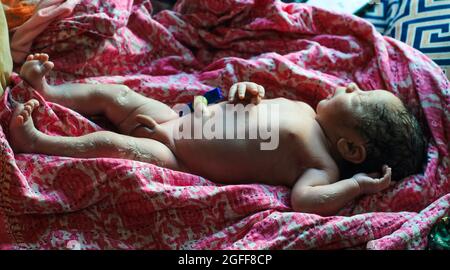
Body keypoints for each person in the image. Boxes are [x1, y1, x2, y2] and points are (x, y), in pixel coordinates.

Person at [9, 53, 426, 216]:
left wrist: (354, 185)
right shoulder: (303, 109)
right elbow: (237, 105)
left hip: (177, 153)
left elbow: (305, 201)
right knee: (117, 95)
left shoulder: (321, 164)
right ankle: (50, 91)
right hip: (180, 115)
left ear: (351, 148)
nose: (350, 86)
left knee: (115, 146)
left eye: (357, 98)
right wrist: (243, 92)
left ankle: (41, 144)